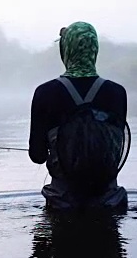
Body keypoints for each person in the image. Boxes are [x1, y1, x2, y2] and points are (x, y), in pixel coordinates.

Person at [28, 21, 128, 211]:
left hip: (62, 203)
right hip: (109, 201)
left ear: (66, 50)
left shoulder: (45, 92)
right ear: (94, 49)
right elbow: (115, 151)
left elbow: (37, 156)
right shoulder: (117, 93)